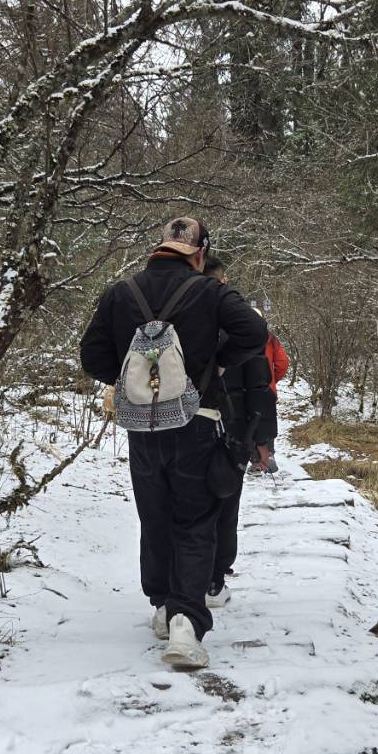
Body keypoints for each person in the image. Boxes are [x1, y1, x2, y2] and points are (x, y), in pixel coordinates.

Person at [79, 217, 267, 670]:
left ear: (159, 247)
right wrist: (216, 364)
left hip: (142, 428)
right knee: (196, 520)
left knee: (155, 516)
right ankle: (185, 623)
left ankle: (163, 606)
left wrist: (134, 383)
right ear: (200, 254)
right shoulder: (212, 292)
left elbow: (92, 356)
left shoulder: (121, 293)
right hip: (197, 422)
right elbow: (254, 333)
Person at [202, 255, 280, 609]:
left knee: (182, 505)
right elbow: (259, 386)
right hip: (231, 430)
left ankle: (185, 585)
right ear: (222, 281)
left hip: (181, 426)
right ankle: (214, 581)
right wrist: (262, 441)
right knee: (224, 502)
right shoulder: (241, 323)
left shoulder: (176, 316)